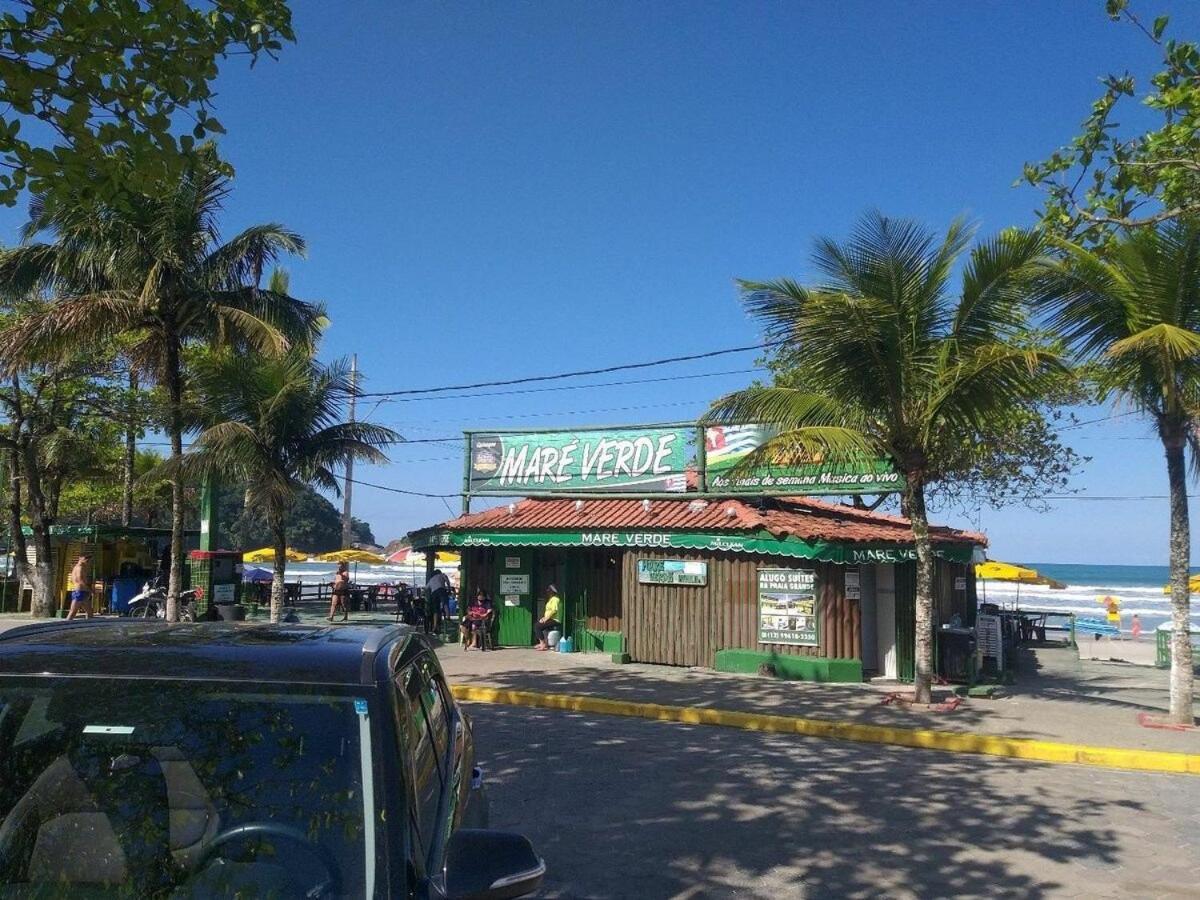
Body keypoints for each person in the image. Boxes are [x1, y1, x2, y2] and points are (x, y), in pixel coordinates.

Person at [534, 583, 561, 651]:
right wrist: (544, 618)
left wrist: (546, 619)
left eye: (549, 591)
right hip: (550, 618)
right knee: (541, 626)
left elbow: (553, 610)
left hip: (555, 619)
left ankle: (542, 644)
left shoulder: (555, 599)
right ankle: (543, 643)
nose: (548, 592)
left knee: (537, 626)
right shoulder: (551, 599)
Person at [65, 554, 92, 620]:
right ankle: (65, 626)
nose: (87, 560)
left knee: (89, 612)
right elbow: (80, 580)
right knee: (73, 612)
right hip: (79, 592)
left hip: (82, 592)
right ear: (80, 558)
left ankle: (88, 628)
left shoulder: (78, 567)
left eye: (88, 559)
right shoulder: (80, 567)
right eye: (85, 558)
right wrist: (89, 589)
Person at [426, 569, 450, 634]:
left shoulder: (431, 579)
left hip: (434, 593)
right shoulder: (442, 575)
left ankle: (435, 626)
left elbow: (426, 588)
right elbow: (447, 581)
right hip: (441, 590)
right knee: (445, 603)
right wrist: (449, 588)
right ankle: (448, 617)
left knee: (435, 610)